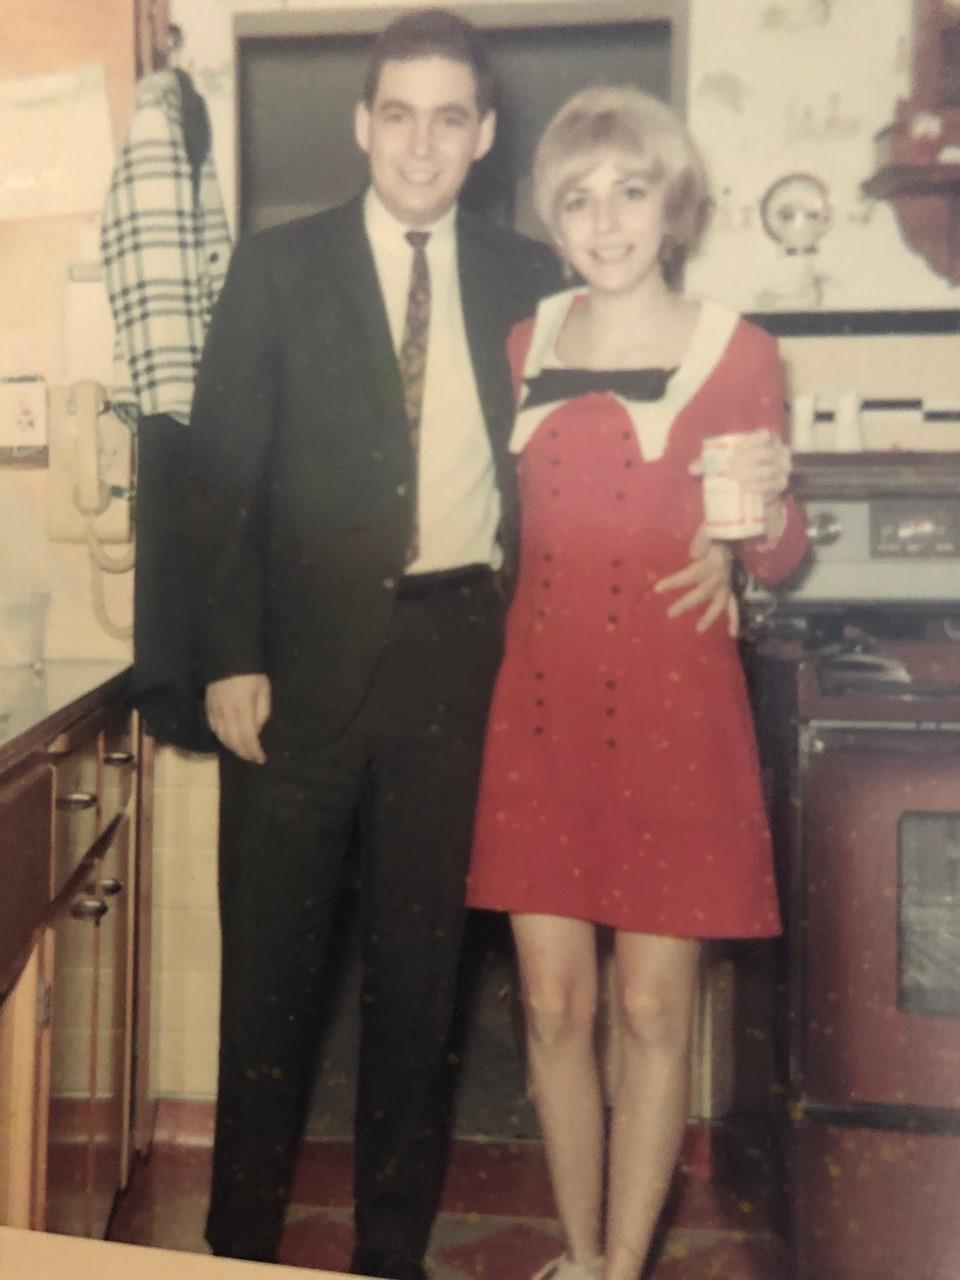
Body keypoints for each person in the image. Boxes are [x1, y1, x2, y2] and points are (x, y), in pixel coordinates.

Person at [182, 14, 735, 1279]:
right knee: (268, 982)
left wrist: (730, 541)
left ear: (484, 138)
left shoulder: (534, 282)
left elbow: (655, 416)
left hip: (464, 670)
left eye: (450, 118)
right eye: (398, 114)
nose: (421, 142)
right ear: (361, 123)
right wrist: (226, 654)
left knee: (419, 991)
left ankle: (388, 1252)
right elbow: (216, 482)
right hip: (292, 672)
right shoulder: (275, 269)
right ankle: (231, 1253)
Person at [467, 86, 809, 1280]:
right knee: (554, 1008)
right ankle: (577, 1249)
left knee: (653, 1011)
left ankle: (621, 1262)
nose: (604, 219)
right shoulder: (527, 343)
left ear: (673, 203)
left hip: (673, 715)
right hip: (544, 709)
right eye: (577, 196)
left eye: (629, 190)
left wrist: (755, 517)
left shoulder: (743, 349)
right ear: (553, 218)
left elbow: (778, 551)